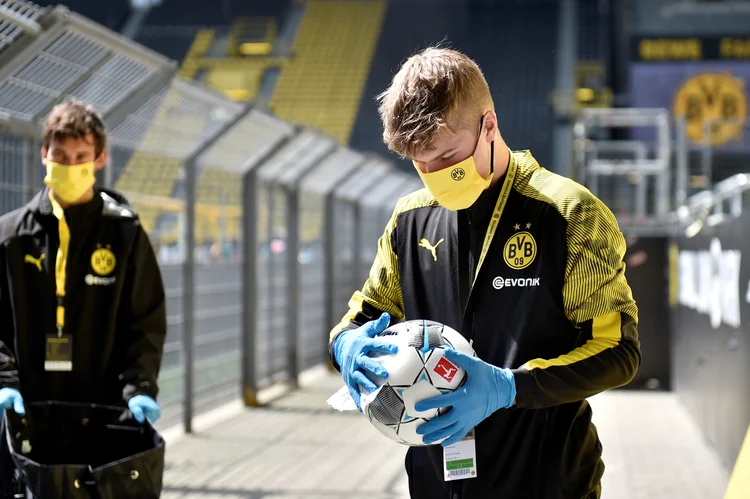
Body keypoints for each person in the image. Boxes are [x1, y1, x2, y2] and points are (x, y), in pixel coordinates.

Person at [328, 47, 640, 499]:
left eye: (448, 158)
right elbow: (361, 316)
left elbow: (619, 352)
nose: (434, 175)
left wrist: (509, 387)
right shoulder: (408, 219)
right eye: (421, 163)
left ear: (489, 125)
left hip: (548, 483)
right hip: (436, 484)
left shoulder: (570, 215)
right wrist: (347, 345)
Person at [0, 100, 167, 484]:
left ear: (100, 159)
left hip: (105, 418)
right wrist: (3, 383)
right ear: (44, 154)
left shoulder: (124, 235)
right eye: (60, 155)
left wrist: (139, 387)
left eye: (81, 156)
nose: (70, 166)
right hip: (27, 418)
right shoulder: (10, 237)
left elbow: (145, 321)